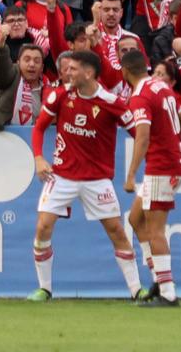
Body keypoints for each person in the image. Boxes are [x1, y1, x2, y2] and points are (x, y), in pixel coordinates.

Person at [28, 49, 144, 302]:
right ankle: (45, 289)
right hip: (61, 176)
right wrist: (38, 157)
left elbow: (141, 135)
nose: (67, 72)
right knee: (43, 226)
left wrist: (141, 167)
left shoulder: (112, 103)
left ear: (89, 73)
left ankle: (136, 290)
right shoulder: (60, 95)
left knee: (116, 231)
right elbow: (39, 128)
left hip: (97, 180)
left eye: (73, 69)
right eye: (67, 68)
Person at [121, 48, 181, 307]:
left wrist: (130, 174)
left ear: (124, 71)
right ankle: (158, 281)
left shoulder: (139, 96)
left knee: (155, 229)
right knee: (136, 218)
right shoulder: (160, 86)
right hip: (175, 159)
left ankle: (168, 293)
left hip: (163, 164)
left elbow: (143, 136)